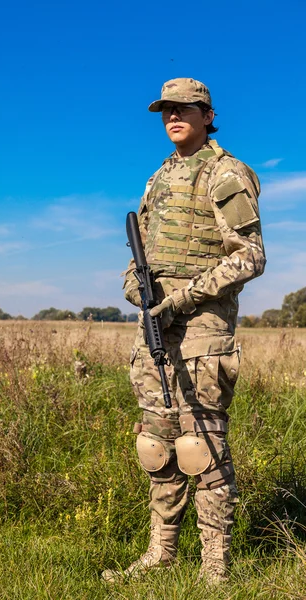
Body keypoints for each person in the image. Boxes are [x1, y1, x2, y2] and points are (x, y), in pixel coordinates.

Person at [102, 77, 266, 584]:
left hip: (201, 329)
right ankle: (161, 554)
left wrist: (184, 298)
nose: (173, 116)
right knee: (156, 444)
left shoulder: (226, 173)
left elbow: (251, 257)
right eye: (166, 109)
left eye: (185, 108)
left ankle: (213, 567)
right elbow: (142, 255)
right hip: (154, 329)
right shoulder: (158, 178)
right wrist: (136, 287)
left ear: (207, 114)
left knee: (203, 446)